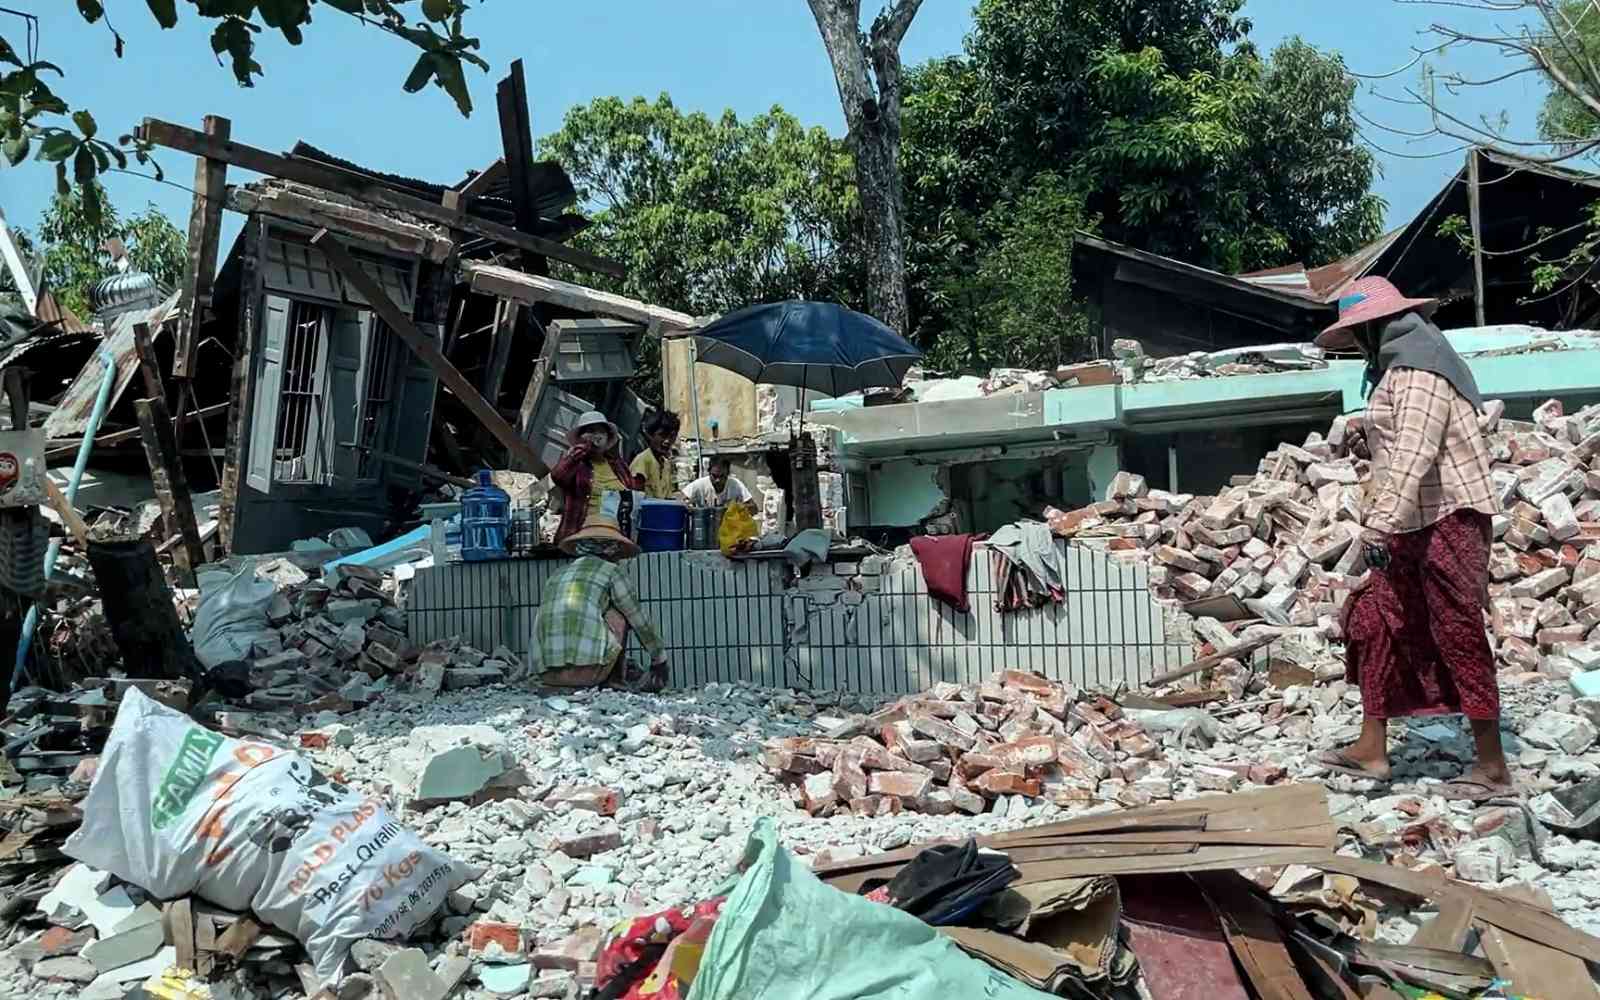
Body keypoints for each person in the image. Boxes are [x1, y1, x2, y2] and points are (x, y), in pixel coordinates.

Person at [1312, 276, 1509, 800]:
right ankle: (1372, 747)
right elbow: (1399, 444)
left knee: (1456, 629)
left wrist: (1378, 522)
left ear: (1375, 328)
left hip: (1448, 517)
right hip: (1408, 520)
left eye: (1359, 334)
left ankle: (1492, 766)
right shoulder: (1394, 374)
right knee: (1372, 617)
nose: (1358, 345)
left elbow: (1416, 452)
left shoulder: (1421, 369)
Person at [535, 524, 669, 692]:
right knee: (619, 613)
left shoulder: (557, 574)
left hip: (546, 674)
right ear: (611, 550)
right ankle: (614, 681)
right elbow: (638, 619)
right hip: (587, 674)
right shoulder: (611, 571)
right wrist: (659, 659)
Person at [550, 411, 635, 548]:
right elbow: (557, 476)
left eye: (601, 431)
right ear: (581, 437)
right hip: (579, 537)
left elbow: (631, 490)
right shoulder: (576, 463)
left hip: (613, 539)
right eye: (590, 431)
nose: (596, 436)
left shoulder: (616, 463)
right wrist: (584, 447)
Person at [630, 410, 681, 500]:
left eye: (672, 437)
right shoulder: (642, 461)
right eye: (662, 435)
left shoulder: (666, 464)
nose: (667, 441)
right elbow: (636, 498)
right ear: (650, 435)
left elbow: (668, 497)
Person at [683, 456, 753, 509]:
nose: (718, 480)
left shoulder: (736, 484)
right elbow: (681, 500)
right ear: (709, 472)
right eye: (714, 476)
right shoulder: (699, 484)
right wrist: (688, 506)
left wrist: (736, 507)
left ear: (728, 474)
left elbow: (753, 507)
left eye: (722, 476)